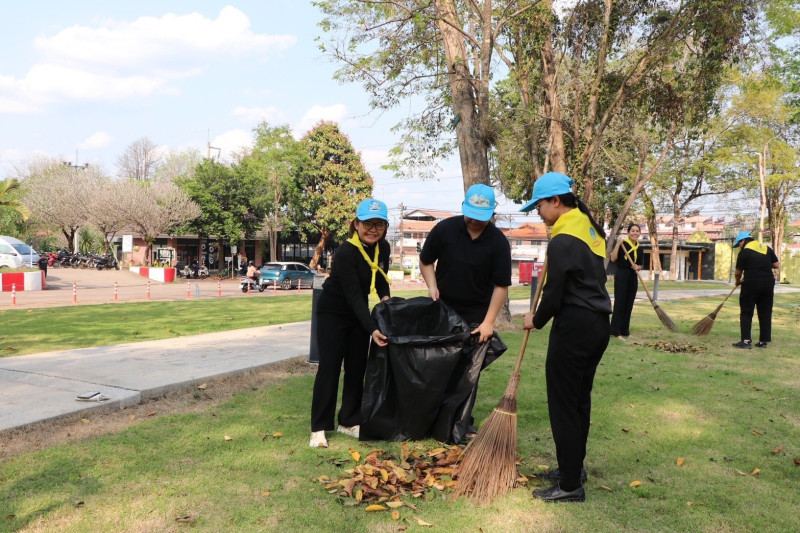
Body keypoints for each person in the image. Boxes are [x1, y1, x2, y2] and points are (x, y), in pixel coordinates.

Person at [521, 171, 612, 503]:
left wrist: (535, 320)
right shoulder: (588, 229)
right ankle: (573, 468)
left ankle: (570, 485)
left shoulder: (563, 240)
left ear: (556, 201)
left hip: (575, 326)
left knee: (563, 404)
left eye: (539, 206)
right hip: (597, 324)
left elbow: (554, 294)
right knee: (578, 401)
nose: (538, 213)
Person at [419, 183, 512, 436]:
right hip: (443, 309)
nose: (474, 221)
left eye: (481, 217)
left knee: (468, 372)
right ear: (463, 207)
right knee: (438, 366)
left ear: (492, 214)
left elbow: (501, 286)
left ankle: (462, 421)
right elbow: (426, 261)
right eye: (470, 215)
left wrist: (489, 322)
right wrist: (432, 286)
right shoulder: (445, 229)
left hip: (476, 315)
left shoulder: (498, 242)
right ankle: (431, 419)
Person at [310, 198, 392, 448]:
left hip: (358, 313)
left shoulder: (383, 247)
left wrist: (387, 303)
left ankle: (348, 420)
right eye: (368, 224)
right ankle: (319, 428)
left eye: (379, 224)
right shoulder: (346, 252)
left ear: (385, 227)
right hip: (333, 311)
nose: (373, 229)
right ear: (356, 224)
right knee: (330, 368)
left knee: (357, 367)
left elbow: (381, 280)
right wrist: (372, 328)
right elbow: (354, 295)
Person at [731, 231, 780, 349]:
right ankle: (763, 341)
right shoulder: (766, 248)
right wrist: (764, 263)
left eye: (739, 244)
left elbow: (738, 272)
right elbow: (776, 265)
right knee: (765, 312)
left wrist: (737, 281)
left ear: (743, 241)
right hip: (768, 283)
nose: (740, 246)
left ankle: (746, 341)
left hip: (751, 283)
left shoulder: (744, 252)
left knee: (746, 312)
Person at [609, 223, 643, 338]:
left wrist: (638, 267)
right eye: (632, 231)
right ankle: (615, 331)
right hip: (622, 275)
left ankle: (625, 331)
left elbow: (640, 264)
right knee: (620, 302)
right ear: (628, 232)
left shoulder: (640, 248)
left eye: (637, 231)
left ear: (639, 233)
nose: (635, 233)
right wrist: (618, 245)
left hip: (633, 276)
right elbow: (613, 258)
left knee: (629, 303)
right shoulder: (622, 243)